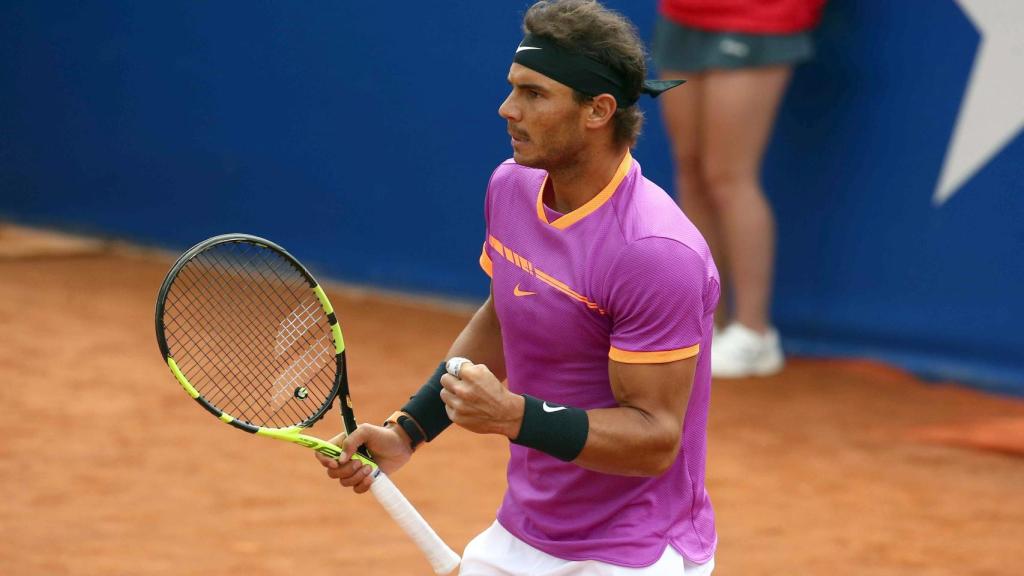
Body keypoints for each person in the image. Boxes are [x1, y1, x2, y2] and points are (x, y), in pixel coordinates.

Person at [317, 1, 718, 573]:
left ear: (597, 111)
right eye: (513, 88)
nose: (508, 109)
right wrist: (409, 430)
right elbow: (507, 315)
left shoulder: (655, 253)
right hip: (524, 531)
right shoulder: (511, 188)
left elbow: (655, 440)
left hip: (634, 552)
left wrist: (514, 416)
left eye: (534, 94)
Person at [653, 0, 826, 378]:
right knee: (691, 170)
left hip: (757, 17)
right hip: (682, 14)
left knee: (728, 176)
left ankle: (755, 333)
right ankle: (705, 323)